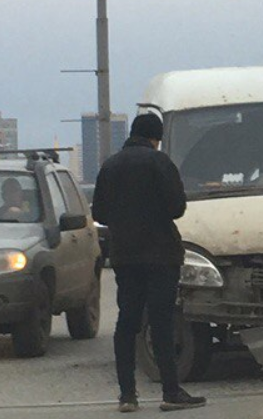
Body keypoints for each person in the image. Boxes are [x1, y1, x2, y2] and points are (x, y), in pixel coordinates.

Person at [92, 113, 206, 413]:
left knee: (127, 323)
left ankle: (127, 395)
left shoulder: (110, 166)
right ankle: (170, 392)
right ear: (155, 137)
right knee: (161, 322)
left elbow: (100, 213)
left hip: (125, 256)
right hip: (161, 255)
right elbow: (177, 207)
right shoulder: (161, 163)